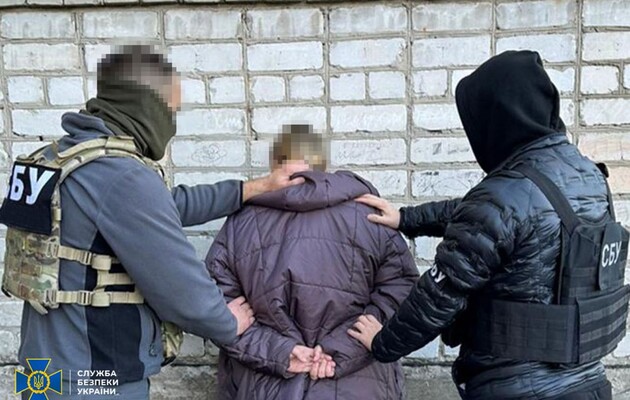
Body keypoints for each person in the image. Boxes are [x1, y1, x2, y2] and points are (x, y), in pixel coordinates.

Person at [0, 45, 305, 399]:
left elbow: (159, 208)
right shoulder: (121, 176)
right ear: (146, 105)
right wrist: (226, 322)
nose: (171, 124)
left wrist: (254, 188)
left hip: (40, 375)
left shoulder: (55, 160)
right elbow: (180, 287)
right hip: (97, 383)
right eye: (171, 111)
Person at [349, 50, 629, 400]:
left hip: (516, 388)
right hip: (588, 383)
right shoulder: (587, 175)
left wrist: (382, 343)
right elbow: (490, 214)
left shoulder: (504, 194)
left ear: (497, 118)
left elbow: (436, 298)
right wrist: (407, 218)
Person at [205, 125, 419, 400]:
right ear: (323, 164)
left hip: (263, 387)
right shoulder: (372, 217)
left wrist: (280, 353)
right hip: (361, 385)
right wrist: (340, 350)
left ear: (275, 162)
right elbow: (401, 293)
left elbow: (217, 308)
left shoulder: (240, 224)